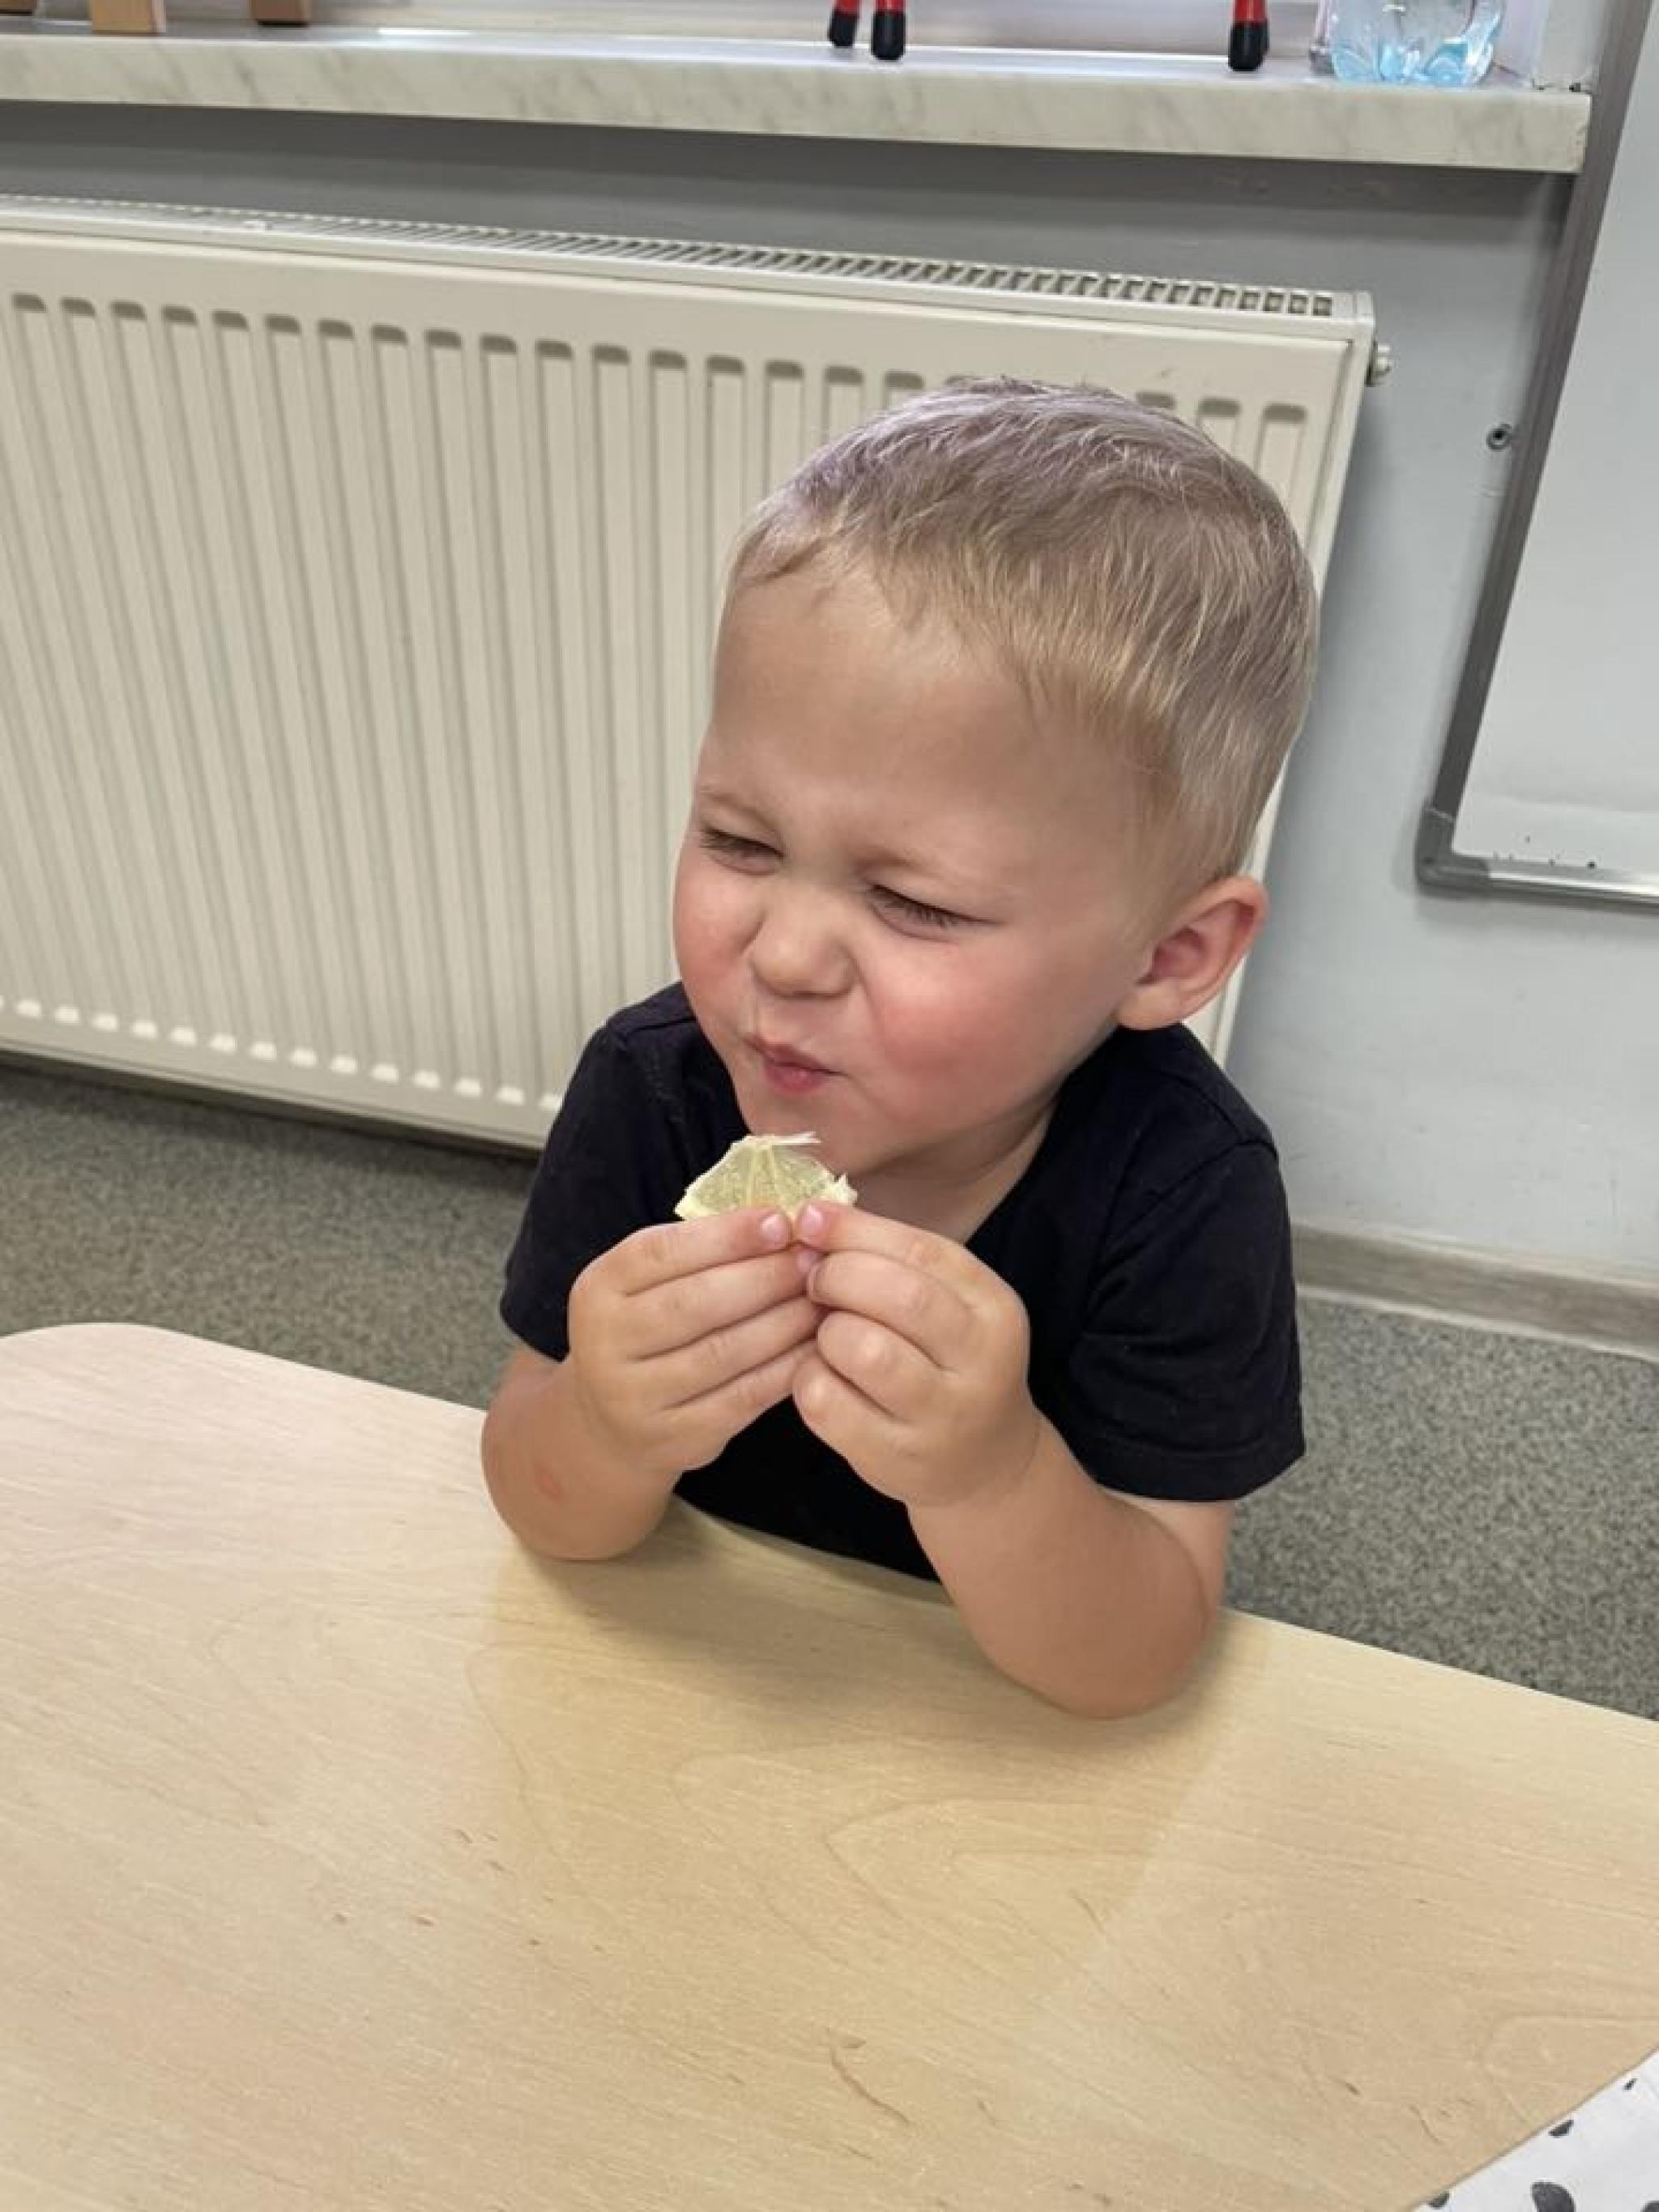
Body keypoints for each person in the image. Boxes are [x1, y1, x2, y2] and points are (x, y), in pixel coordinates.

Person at [482, 377, 1318, 1720]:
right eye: (739, 840)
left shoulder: (1184, 1190)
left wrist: (994, 1476)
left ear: (1168, 958)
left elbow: (1135, 1658)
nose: (784, 957)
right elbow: (546, 1511)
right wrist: (601, 1421)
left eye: (916, 902)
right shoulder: (653, 1087)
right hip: (685, 1674)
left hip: (974, 1725)